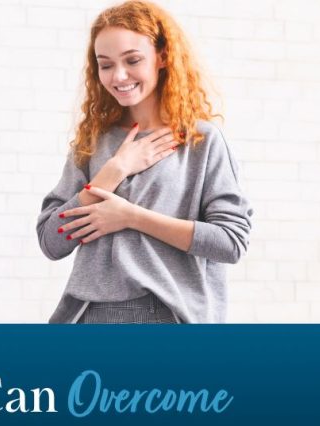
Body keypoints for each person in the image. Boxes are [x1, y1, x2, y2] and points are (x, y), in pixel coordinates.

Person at [36, 0, 253, 324]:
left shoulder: (201, 141)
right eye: (105, 64)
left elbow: (230, 242)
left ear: (163, 57)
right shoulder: (93, 142)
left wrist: (131, 217)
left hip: (167, 317)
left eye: (132, 60)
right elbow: (51, 243)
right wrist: (113, 171)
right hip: (88, 316)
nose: (118, 75)